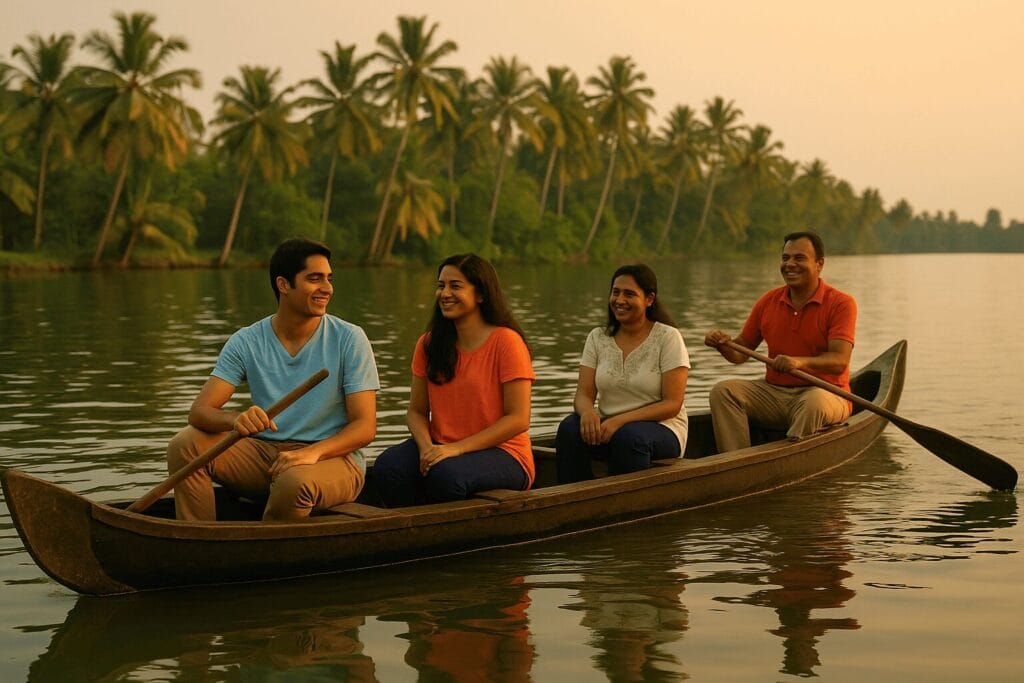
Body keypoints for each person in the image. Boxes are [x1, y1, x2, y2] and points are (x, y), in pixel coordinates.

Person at [166, 238, 379, 521]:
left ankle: (266, 551)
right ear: (283, 285)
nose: (326, 288)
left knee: (294, 481)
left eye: (329, 278)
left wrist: (312, 454)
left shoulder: (349, 338)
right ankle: (199, 541)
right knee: (184, 445)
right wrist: (237, 420)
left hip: (332, 460)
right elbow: (199, 412)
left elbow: (365, 427)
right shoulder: (246, 340)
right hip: (266, 455)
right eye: (314, 279)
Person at [371, 253, 535, 506]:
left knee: (446, 475)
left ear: (480, 294)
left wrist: (456, 449)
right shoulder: (428, 344)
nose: (445, 293)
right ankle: (410, 531)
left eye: (455, 286)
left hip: (505, 453)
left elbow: (518, 419)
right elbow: (416, 412)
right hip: (440, 446)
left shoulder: (506, 342)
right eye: (440, 286)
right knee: (387, 467)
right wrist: (427, 447)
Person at [704, 230, 856, 452]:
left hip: (826, 392)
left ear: (819, 264)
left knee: (813, 403)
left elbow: (839, 361)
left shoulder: (841, 303)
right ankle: (735, 463)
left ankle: (789, 458)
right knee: (723, 391)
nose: (790, 264)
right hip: (774, 393)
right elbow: (740, 353)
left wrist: (798, 363)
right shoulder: (768, 301)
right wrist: (723, 344)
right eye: (785, 258)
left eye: (799, 258)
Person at [556, 264, 690, 483]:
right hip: (608, 426)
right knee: (569, 428)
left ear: (649, 299)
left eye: (629, 294)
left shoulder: (668, 337)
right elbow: (583, 393)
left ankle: (623, 506)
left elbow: (672, 404)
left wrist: (620, 421)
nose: (619, 300)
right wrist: (588, 412)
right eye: (615, 292)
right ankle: (574, 498)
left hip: (661, 429)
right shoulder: (597, 337)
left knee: (629, 437)